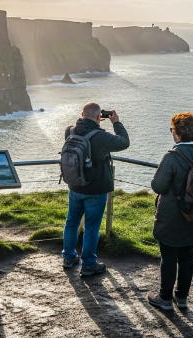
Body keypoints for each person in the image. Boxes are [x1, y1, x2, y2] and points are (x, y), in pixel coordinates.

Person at [147, 112, 193, 311]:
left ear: (177, 133)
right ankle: (182, 297)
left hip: (171, 217)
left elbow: (158, 186)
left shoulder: (172, 157)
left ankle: (165, 298)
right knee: (187, 257)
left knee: (168, 259)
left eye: (172, 130)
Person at [62, 102, 130, 276]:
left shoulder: (70, 131)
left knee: (71, 222)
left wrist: (94, 121)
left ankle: (68, 257)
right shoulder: (101, 137)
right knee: (92, 227)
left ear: (82, 115)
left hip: (75, 185)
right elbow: (124, 142)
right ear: (100, 117)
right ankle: (88, 264)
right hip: (96, 190)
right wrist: (116, 122)